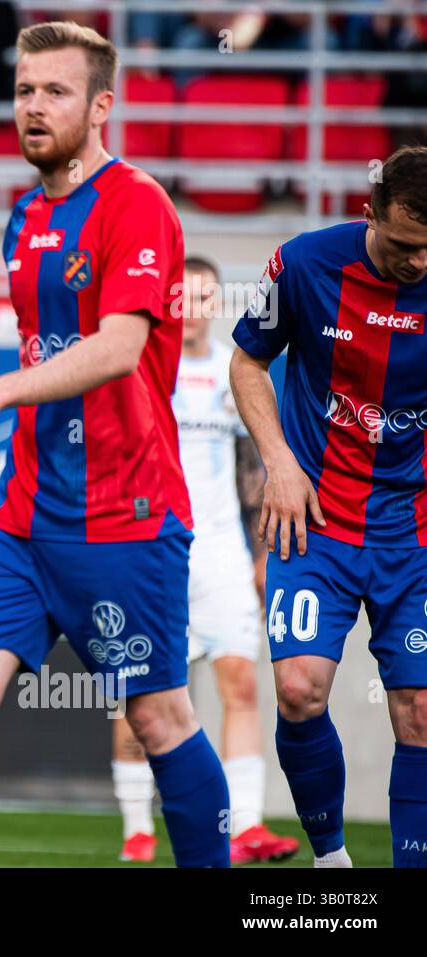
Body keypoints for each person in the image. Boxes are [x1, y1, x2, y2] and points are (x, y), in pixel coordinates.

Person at [0, 21, 231, 868]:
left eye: (56, 91)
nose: (33, 107)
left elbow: (117, 349)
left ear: (101, 105)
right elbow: (49, 351)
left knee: (158, 718)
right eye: (25, 90)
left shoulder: (137, 203)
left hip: (126, 515)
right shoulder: (26, 216)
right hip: (26, 512)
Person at [229, 145, 427, 867]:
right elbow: (248, 359)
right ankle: (331, 862)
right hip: (316, 519)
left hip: (415, 531)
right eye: (404, 245)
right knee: (299, 688)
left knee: (421, 711)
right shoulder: (304, 265)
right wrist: (279, 461)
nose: (417, 262)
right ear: (369, 213)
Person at [111, 256, 299, 864]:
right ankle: (137, 829)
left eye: (204, 297)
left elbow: (257, 470)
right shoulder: (140, 367)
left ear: (216, 303)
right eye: (183, 296)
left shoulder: (233, 370)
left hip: (220, 553)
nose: (193, 307)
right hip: (150, 552)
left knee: (242, 682)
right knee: (142, 694)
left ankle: (245, 826)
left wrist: (264, 551)